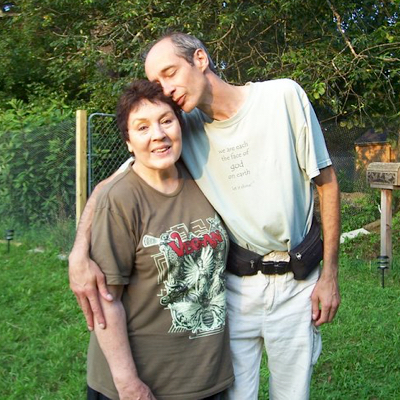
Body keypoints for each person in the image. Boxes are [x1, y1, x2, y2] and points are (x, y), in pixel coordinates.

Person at [69, 32, 341, 400]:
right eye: (156, 83)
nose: (165, 90)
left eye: (169, 73)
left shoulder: (282, 97)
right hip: (234, 286)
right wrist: (78, 251)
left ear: (199, 59)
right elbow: (109, 187)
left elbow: (326, 183)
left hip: (297, 282)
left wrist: (330, 275)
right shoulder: (181, 127)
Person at [84, 79, 233, 400]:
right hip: (142, 385)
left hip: (208, 378)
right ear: (128, 142)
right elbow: (105, 304)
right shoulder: (120, 199)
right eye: (142, 127)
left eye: (166, 121)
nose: (158, 135)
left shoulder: (206, 182)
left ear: (180, 126)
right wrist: (128, 385)